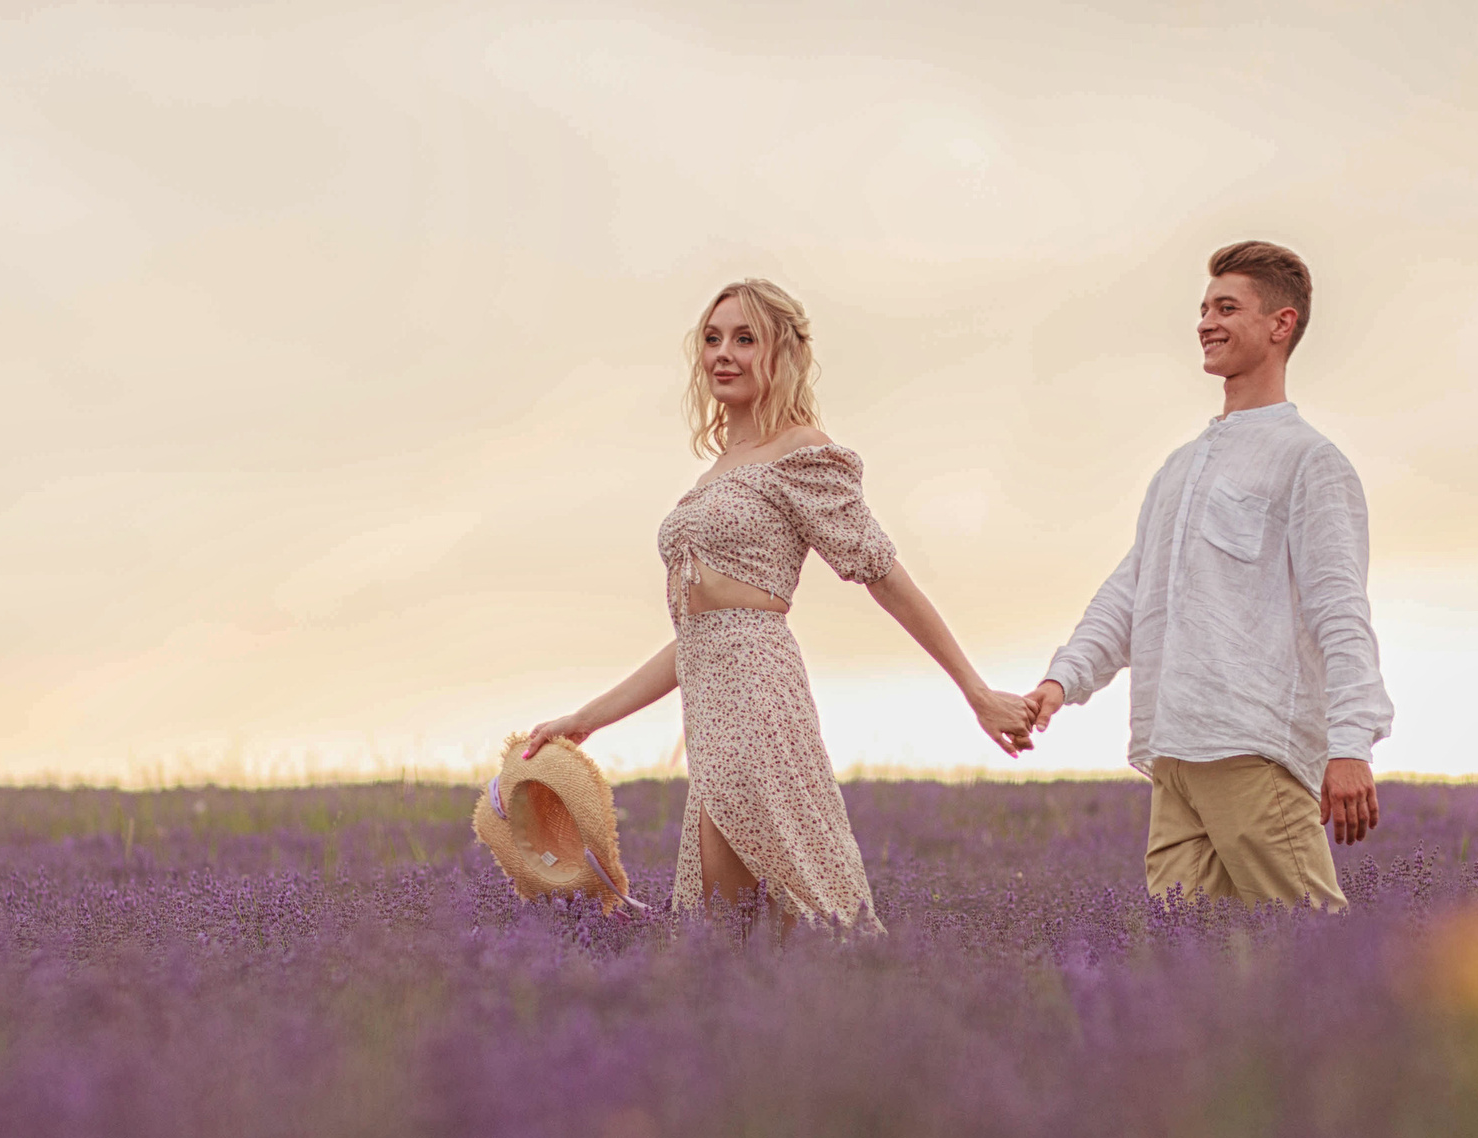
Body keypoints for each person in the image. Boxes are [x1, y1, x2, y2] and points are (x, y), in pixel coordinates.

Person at [523, 279, 1038, 931]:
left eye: (745, 339)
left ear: (783, 353)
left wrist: (975, 690)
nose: (723, 354)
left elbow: (883, 575)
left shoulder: (800, 452)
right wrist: (587, 718)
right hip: (711, 711)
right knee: (749, 930)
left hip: (760, 705)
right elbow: (697, 639)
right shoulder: (717, 469)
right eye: (712, 340)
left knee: (750, 916)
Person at [1024, 242, 1393, 909]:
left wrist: (1350, 744)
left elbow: (1341, 612)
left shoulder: (1309, 462)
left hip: (1251, 751)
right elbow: (1133, 593)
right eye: (1202, 308)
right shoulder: (1178, 469)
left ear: (1281, 325)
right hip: (1173, 757)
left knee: (1312, 946)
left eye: (1227, 307)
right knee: (1186, 964)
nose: (1205, 322)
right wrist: (1062, 680)